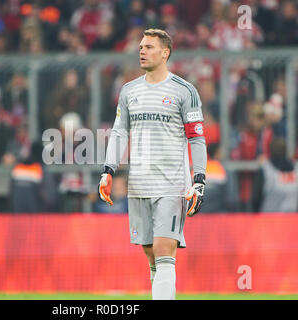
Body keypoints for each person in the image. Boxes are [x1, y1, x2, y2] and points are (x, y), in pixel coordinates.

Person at [98, 29, 207, 300]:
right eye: (141, 47)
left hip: (172, 183)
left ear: (165, 52)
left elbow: (196, 137)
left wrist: (199, 180)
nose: (142, 51)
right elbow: (119, 132)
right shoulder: (129, 91)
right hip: (138, 184)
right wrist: (108, 171)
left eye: (148, 46)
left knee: (163, 248)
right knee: (150, 253)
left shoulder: (185, 91)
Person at [252, 138, 298, 213]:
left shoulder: (265, 170)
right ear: (286, 151)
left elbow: (256, 199)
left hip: (269, 219)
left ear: (270, 151)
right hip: (292, 218)